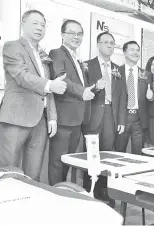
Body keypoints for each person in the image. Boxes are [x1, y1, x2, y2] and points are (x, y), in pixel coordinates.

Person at [0, 10, 65, 181]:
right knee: (7, 172)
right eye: (35, 23)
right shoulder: (13, 46)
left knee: (33, 174)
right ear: (23, 24)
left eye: (42, 25)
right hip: (16, 117)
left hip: (40, 121)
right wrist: (50, 85)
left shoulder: (43, 54)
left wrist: (52, 118)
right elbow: (22, 76)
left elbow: (48, 88)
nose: (39, 28)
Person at [48, 19, 95, 186]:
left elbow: (80, 83)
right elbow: (61, 77)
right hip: (63, 117)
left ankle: (63, 190)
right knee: (57, 161)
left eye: (79, 34)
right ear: (62, 35)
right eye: (72, 33)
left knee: (68, 160)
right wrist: (83, 91)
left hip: (78, 119)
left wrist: (89, 89)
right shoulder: (56, 53)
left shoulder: (77, 59)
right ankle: (56, 193)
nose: (76, 37)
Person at [82, 31, 127, 203]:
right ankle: (89, 190)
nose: (109, 46)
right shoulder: (86, 65)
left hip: (111, 115)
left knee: (107, 154)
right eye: (105, 42)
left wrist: (122, 120)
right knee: (91, 154)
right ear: (98, 44)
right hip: (93, 114)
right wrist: (94, 87)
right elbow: (82, 90)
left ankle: (104, 190)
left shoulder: (117, 69)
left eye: (112, 43)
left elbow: (123, 96)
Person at [116, 41, 152, 155]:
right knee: (119, 151)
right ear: (125, 53)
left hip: (139, 118)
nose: (136, 52)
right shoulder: (116, 72)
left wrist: (150, 98)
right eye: (132, 49)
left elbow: (150, 97)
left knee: (138, 153)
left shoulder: (146, 74)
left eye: (137, 50)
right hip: (122, 117)